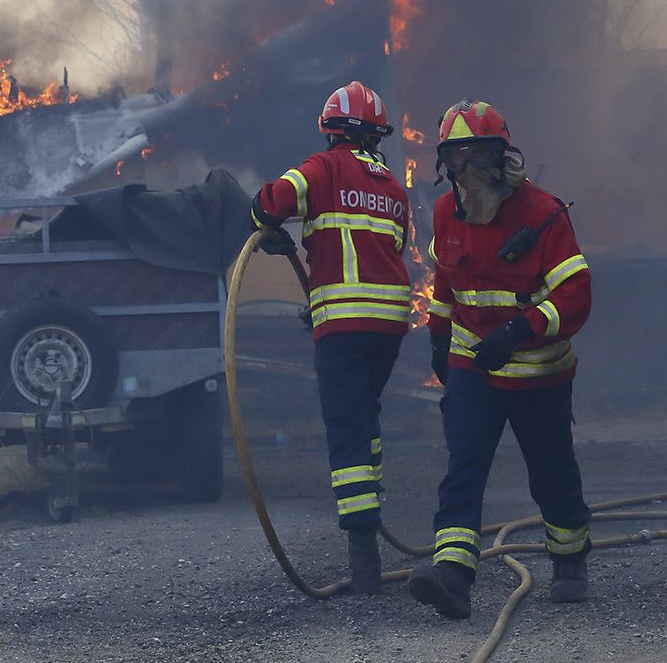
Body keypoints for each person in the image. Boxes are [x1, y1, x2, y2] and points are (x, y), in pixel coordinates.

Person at [406, 99, 594, 620]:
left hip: (539, 372)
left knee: (551, 472)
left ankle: (570, 559)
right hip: (473, 366)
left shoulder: (542, 213)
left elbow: (575, 295)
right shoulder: (446, 211)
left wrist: (519, 329)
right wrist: (440, 339)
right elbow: (445, 281)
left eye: (477, 155)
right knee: (464, 466)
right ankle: (453, 577)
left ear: (502, 154)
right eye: (455, 159)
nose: (466, 172)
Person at [253, 81, 411, 594]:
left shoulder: (322, 169)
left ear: (332, 132)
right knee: (364, 415)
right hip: (388, 323)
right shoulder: (392, 186)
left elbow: (275, 199)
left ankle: (363, 551)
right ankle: (372, 518)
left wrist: (264, 222)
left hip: (343, 325)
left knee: (346, 427)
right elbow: (384, 250)